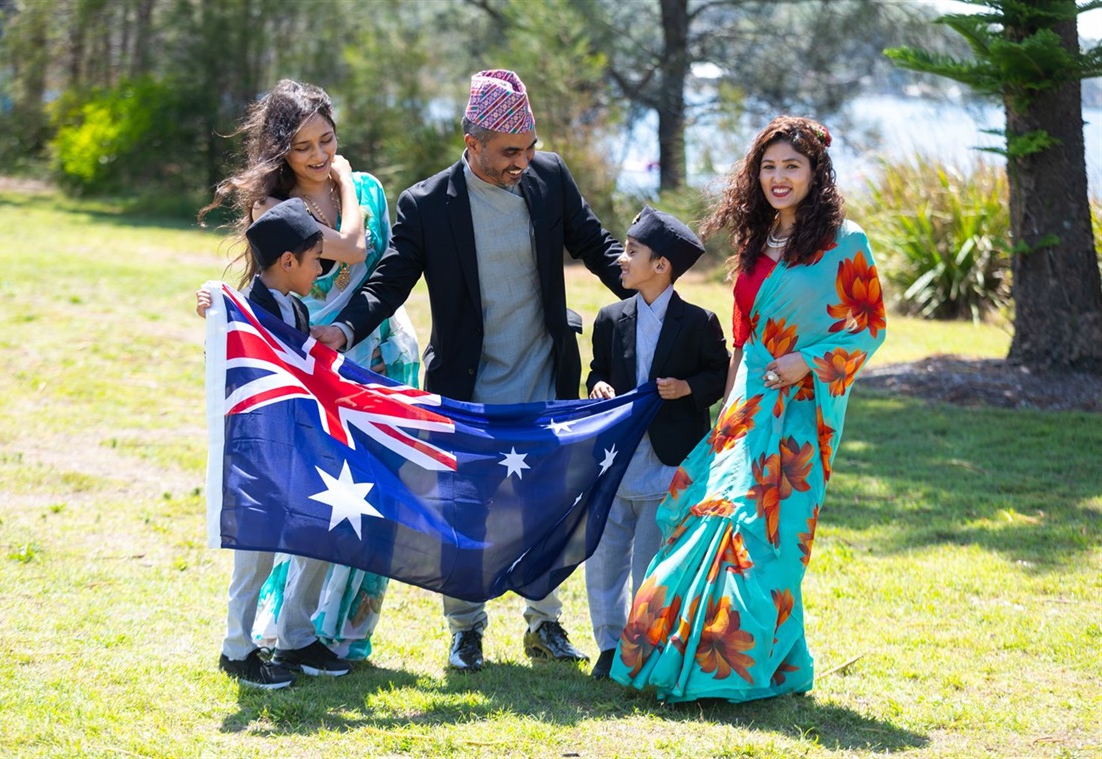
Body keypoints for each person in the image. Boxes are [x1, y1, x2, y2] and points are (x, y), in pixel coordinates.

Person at [313, 69, 631, 672]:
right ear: (473, 142)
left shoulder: (549, 177)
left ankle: (545, 623)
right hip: (469, 385)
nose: (524, 161)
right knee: (468, 509)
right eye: (511, 151)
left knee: (547, 502)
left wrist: (648, 283)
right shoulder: (428, 204)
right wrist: (344, 328)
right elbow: (389, 280)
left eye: (530, 148)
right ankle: (465, 629)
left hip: (545, 375)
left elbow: (595, 244)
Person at [608, 116, 886, 702]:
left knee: (771, 537)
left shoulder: (845, 241)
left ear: (817, 172)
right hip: (746, 406)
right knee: (715, 517)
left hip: (801, 415)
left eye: (792, 166)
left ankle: (745, 664)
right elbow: (743, 334)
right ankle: (701, 656)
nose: (778, 178)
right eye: (768, 167)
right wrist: (728, 408)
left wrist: (807, 362)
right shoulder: (755, 243)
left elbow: (868, 328)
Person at [197, 79, 419, 662]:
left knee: (375, 501)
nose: (320, 156)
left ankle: (341, 633)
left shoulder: (371, 188)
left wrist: (354, 185)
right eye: (303, 147)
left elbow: (385, 270)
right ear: (280, 153)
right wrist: (346, 181)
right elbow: (349, 248)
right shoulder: (277, 208)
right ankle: (285, 629)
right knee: (320, 499)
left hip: (384, 357)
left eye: (328, 141)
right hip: (311, 363)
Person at [584, 206, 730, 680]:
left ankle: (642, 645)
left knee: (650, 560)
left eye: (631, 251)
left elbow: (718, 375)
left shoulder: (699, 322)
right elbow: (598, 370)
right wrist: (598, 387)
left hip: (668, 464)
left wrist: (687, 388)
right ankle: (608, 646)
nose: (621, 259)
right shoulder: (610, 318)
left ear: (661, 266)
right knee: (605, 560)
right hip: (615, 460)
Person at [212, 199, 353, 687]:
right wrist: (211, 305)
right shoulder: (243, 310)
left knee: (320, 534)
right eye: (316, 260)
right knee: (256, 554)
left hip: (301, 448)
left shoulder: (295, 307)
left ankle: (295, 638)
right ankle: (236, 649)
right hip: (261, 454)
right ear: (288, 262)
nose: (321, 270)